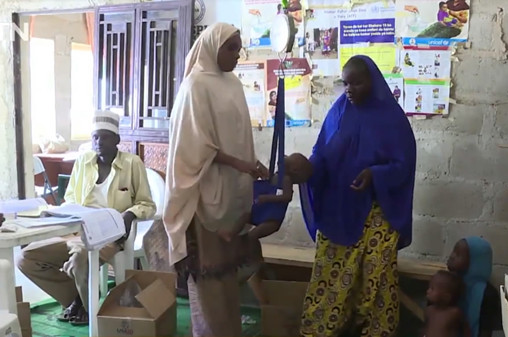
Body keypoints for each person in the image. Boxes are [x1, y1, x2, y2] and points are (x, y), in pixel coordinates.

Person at [299, 55, 417, 337]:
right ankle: (320, 330)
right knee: (330, 274)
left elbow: (403, 164)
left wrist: (374, 174)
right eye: (346, 83)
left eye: (357, 83)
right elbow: (322, 156)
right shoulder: (338, 112)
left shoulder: (391, 119)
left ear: (373, 82)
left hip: (378, 211)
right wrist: (305, 168)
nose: (349, 89)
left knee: (376, 278)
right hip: (339, 210)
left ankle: (375, 331)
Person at [163, 22, 268, 337]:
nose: (237, 55)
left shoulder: (233, 83)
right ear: (212, 47)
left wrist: (250, 165)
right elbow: (195, 146)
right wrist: (241, 164)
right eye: (231, 48)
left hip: (231, 192)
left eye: (239, 48)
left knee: (227, 275)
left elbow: (238, 136)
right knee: (208, 277)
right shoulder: (195, 86)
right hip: (204, 194)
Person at [17, 110, 156, 325]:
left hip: (108, 235)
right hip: (76, 230)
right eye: (95, 137)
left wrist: (129, 215)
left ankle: (88, 310)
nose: (98, 142)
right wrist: (57, 213)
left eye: (105, 136)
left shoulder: (132, 163)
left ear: (117, 140)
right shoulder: (83, 162)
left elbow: (147, 204)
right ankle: (77, 300)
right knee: (26, 258)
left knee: (80, 258)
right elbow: (71, 197)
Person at [235, 153, 313, 305]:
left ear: (294, 170)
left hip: (272, 219)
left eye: (287, 161)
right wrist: (259, 167)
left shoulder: (286, 179)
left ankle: (255, 261)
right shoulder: (279, 175)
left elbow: (287, 197)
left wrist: (267, 198)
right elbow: (269, 179)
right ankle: (254, 258)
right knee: (248, 231)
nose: (281, 161)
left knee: (252, 236)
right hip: (263, 214)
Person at [447, 237, 502, 337]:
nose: (451, 256)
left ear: (475, 260)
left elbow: (486, 329)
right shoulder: (446, 283)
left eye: (458, 254)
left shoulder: (488, 294)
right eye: (453, 251)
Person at [424, 270, 470, 337]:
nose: (428, 291)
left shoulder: (454, 313)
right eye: (429, 287)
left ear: (446, 297)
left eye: (432, 288)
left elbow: (466, 329)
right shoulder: (429, 310)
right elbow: (426, 328)